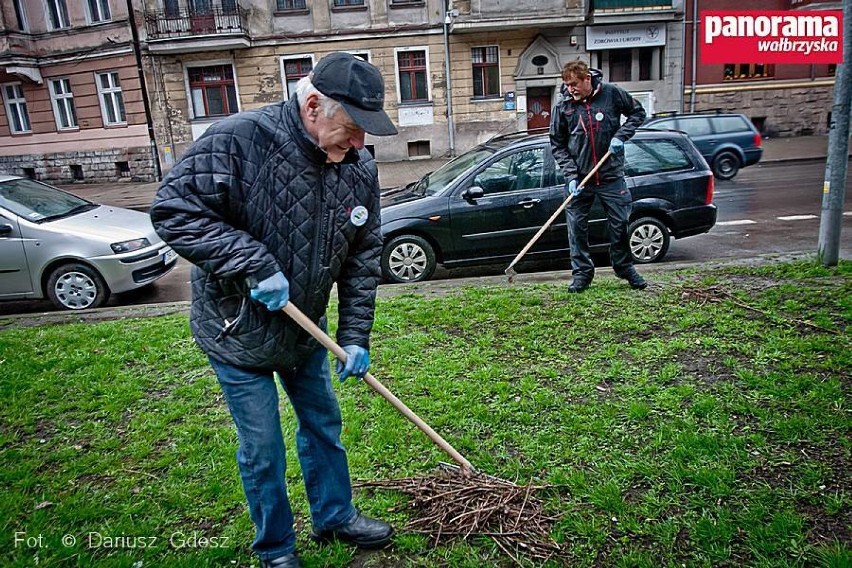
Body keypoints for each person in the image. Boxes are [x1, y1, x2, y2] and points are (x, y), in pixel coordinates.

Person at [149, 52, 398, 568]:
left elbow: (362, 257)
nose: (358, 143)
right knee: (263, 447)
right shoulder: (237, 140)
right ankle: (276, 548)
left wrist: (354, 335)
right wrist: (251, 262)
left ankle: (334, 516)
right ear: (313, 106)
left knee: (323, 424)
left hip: (306, 331)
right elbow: (173, 211)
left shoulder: (358, 167)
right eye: (352, 128)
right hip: (236, 330)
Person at [550, 60, 648, 293]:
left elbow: (638, 112)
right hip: (580, 179)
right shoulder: (563, 106)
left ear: (587, 79)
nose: (570, 89)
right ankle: (582, 274)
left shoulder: (611, 94)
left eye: (574, 84)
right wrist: (571, 175)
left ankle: (624, 267)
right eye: (566, 85)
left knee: (620, 224)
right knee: (576, 229)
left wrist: (621, 136)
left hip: (610, 175)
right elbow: (557, 144)